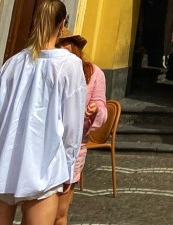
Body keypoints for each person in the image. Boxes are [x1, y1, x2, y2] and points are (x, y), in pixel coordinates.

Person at [0, 0, 86, 225]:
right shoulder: (69, 65)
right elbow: (72, 124)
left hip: (5, 160)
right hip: (44, 164)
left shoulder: (13, 63)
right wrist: (69, 167)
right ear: (62, 24)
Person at [53, 35, 107, 225]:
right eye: (58, 46)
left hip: (74, 146)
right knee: (36, 211)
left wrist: (95, 110)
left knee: (59, 213)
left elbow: (102, 107)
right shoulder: (50, 68)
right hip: (46, 144)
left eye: (67, 47)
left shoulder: (94, 73)